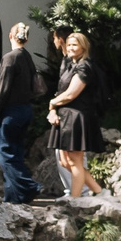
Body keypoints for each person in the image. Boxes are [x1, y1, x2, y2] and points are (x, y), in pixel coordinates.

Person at [49, 30, 106, 196]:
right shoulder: (70, 64)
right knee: (65, 160)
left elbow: (71, 94)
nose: (71, 47)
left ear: (83, 47)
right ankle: (99, 191)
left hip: (77, 117)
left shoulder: (84, 67)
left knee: (75, 161)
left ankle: (75, 199)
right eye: (69, 44)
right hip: (66, 117)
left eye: (75, 44)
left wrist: (52, 103)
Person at [0, 23, 42, 202]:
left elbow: (3, 88)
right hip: (25, 109)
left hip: (10, 112)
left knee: (4, 153)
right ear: (26, 39)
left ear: (11, 36)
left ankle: (28, 186)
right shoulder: (27, 57)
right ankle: (13, 195)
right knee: (16, 152)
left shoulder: (10, 58)